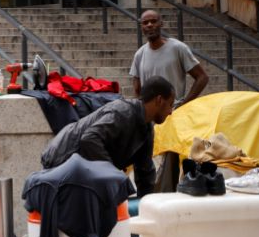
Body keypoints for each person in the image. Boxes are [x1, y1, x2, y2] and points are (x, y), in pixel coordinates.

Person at [41, 76, 176, 198]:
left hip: (80, 163)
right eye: (170, 104)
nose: (170, 112)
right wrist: (114, 176)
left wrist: (147, 205)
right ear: (159, 100)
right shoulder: (123, 112)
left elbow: (145, 172)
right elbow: (90, 139)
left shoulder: (147, 129)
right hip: (62, 156)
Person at [130, 10, 209, 109]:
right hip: (150, 117)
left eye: (154, 21)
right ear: (141, 27)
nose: (149, 25)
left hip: (173, 113)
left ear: (161, 23)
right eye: (145, 23)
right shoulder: (139, 54)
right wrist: (141, 110)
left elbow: (202, 77)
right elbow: (137, 88)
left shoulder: (178, 48)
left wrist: (184, 104)